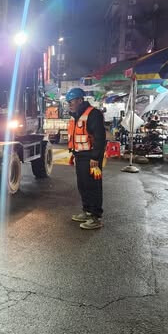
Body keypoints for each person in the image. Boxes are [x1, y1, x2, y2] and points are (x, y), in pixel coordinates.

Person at [66, 88, 106, 230]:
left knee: (93, 186)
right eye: (68, 102)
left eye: (71, 102)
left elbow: (100, 138)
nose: (69, 105)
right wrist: (73, 153)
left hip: (91, 157)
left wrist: (95, 157)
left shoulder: (93, 114)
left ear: (80, 100)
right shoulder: (75, 115)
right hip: (80, 156)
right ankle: (87, 211)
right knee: (83, 185)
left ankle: (95, 217)